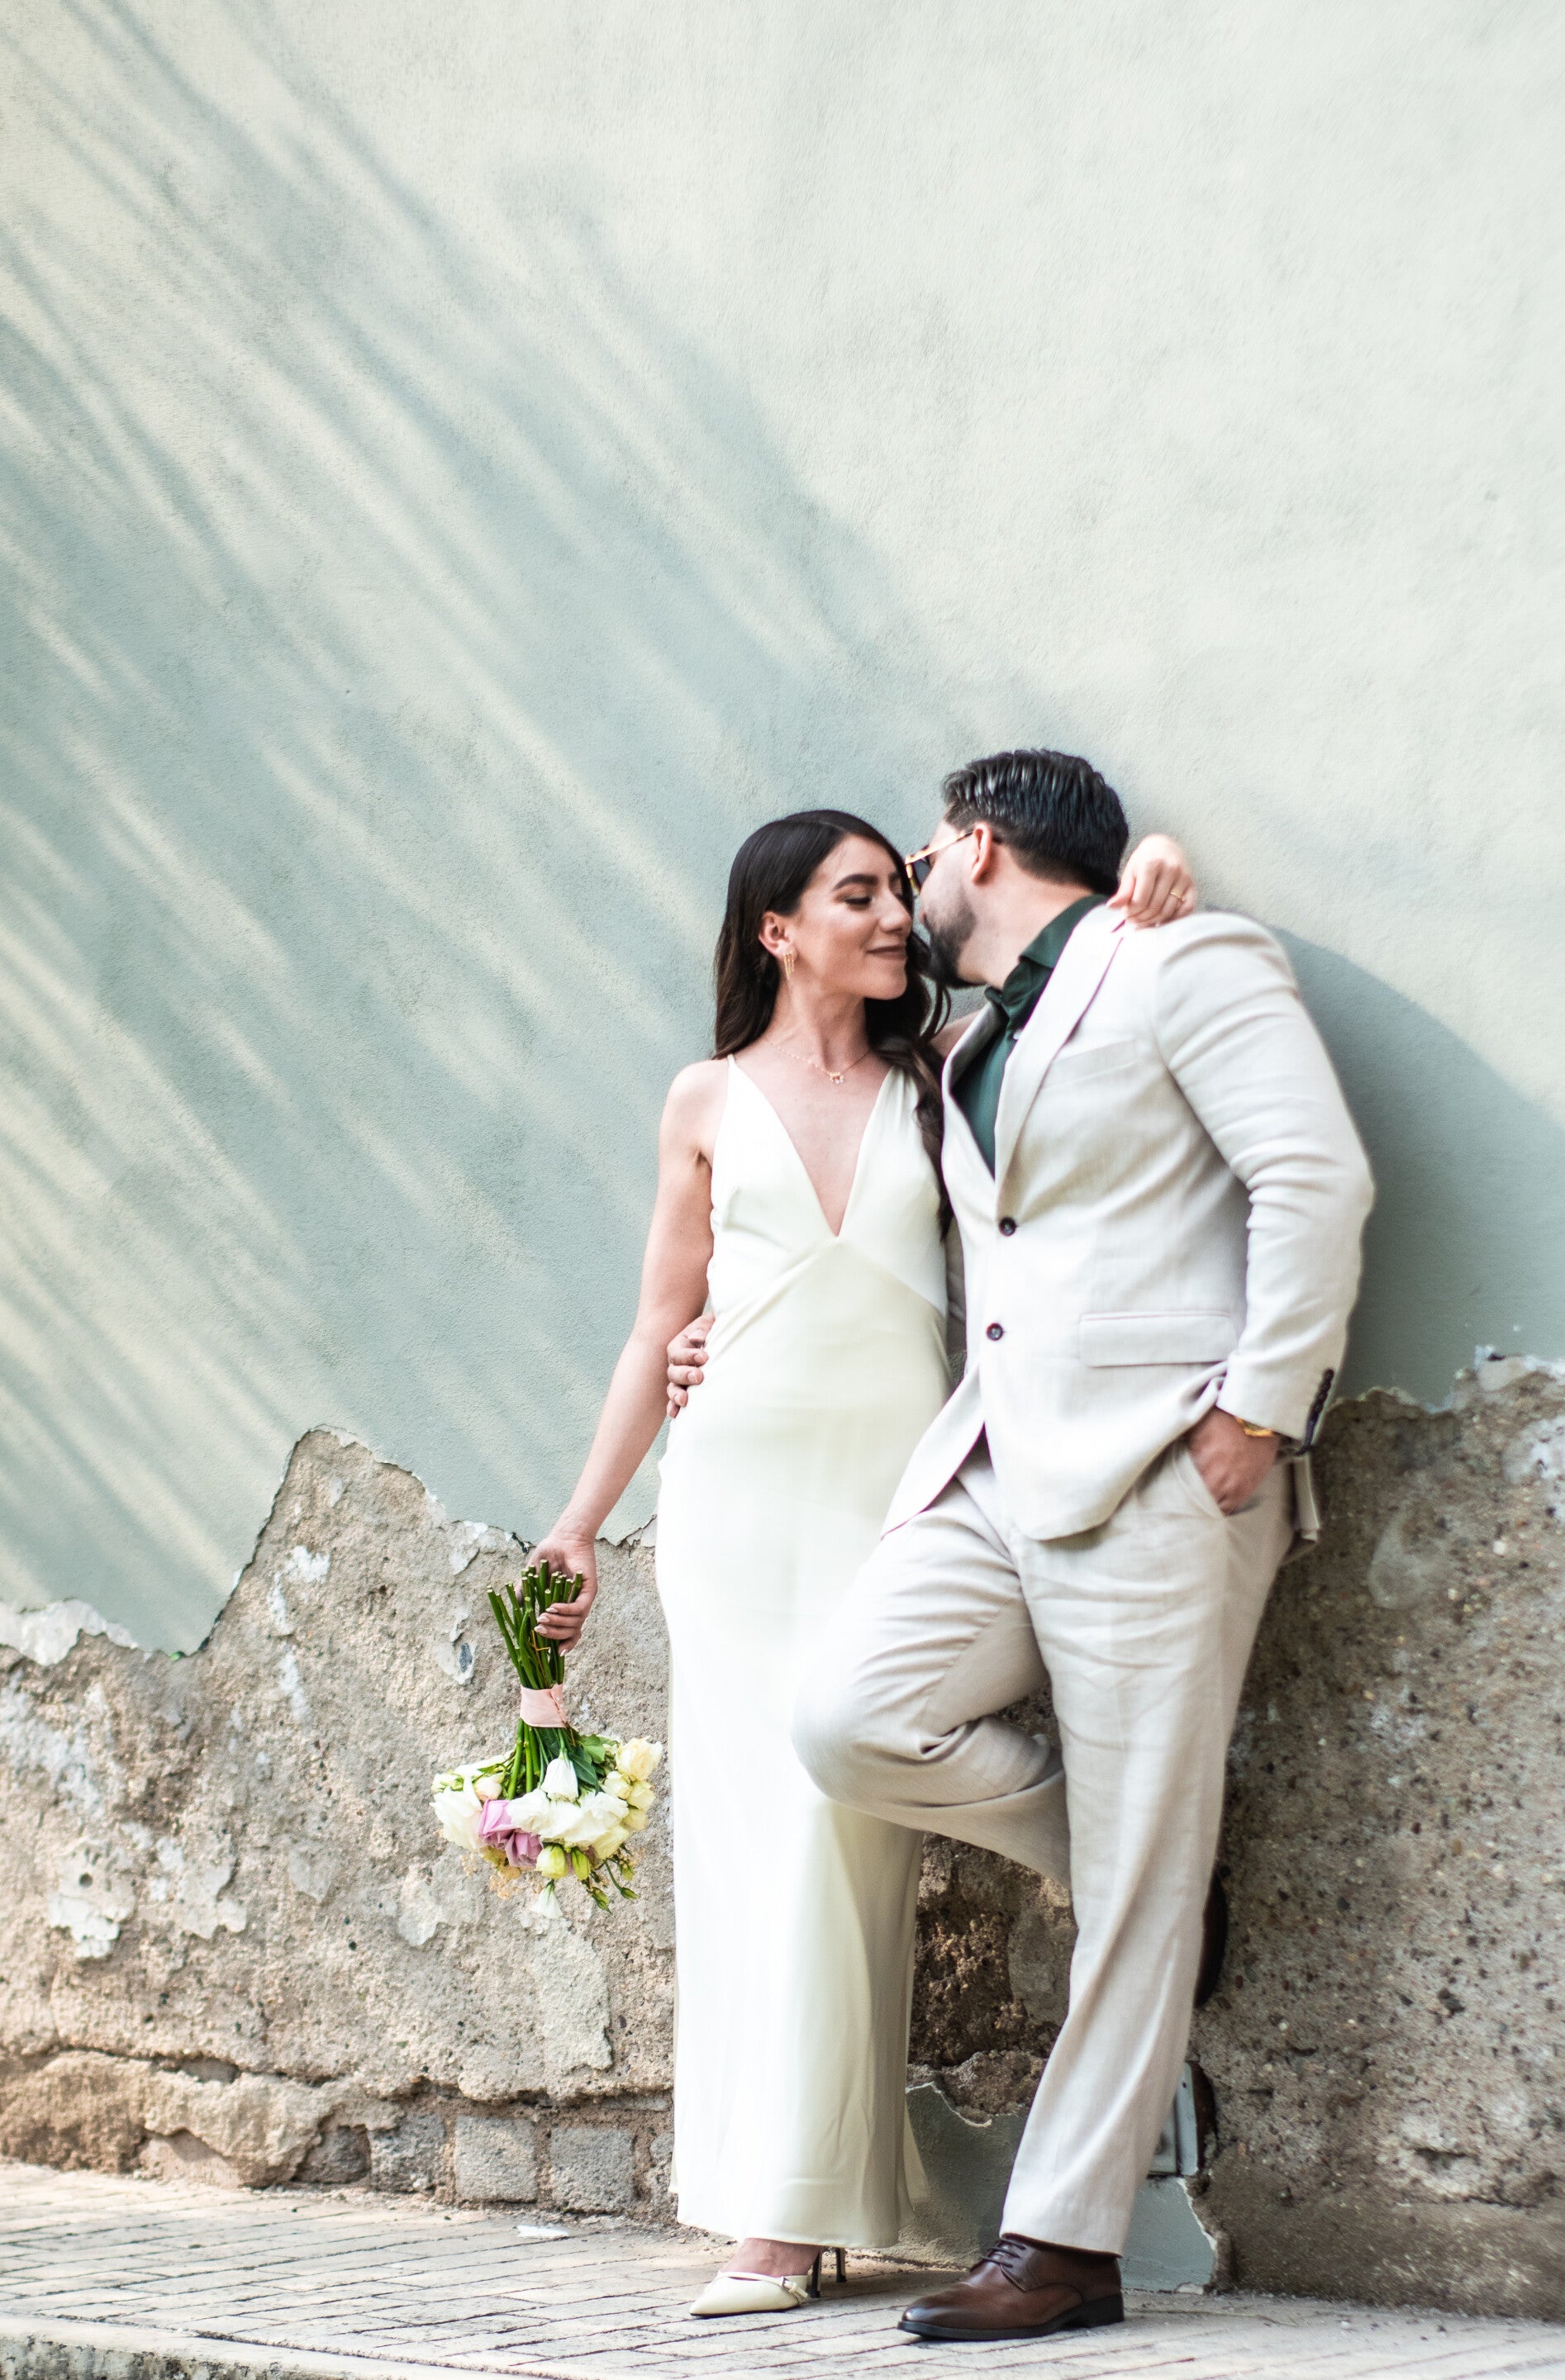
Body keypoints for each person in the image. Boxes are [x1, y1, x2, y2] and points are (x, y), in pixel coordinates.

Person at [528, 800, 1197, 2316]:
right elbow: (656, 1326)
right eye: (859, 896)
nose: (898, 916)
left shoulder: (943, 1072)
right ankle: (771, 2212)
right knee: (749, 1842)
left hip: (891, 1502)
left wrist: (1148, 884)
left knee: (843, 1827)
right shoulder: (704, 1098)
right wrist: (578, 1520)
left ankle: (798, 2210)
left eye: (902, 890)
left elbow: (1087, 1023)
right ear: (776, 930)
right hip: (733, 1504)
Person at [787, 748, 1374, 2343]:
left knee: (1137, 1879)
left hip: (1167, 1471)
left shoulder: (1186, 959)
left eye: (924, 851)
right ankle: (1150, 1873)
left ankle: (1062, 2244)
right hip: (996, 1464)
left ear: (978, 842)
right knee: (849, 1713)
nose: (912, 878)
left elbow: (1314, 1176)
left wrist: (1259, 1409)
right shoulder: (966, 1026)